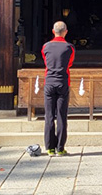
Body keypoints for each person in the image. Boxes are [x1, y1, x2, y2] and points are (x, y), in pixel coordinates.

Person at [41, 20, 75, 156]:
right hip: (63, 82)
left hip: (49, 82)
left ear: (53, 31)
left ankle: (49, 147)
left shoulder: (45, 47)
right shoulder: (69, 47)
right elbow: (70, 64)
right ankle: (60, 148)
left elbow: (45, 62)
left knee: (49, 115)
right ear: (66, 32)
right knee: (61, 115)